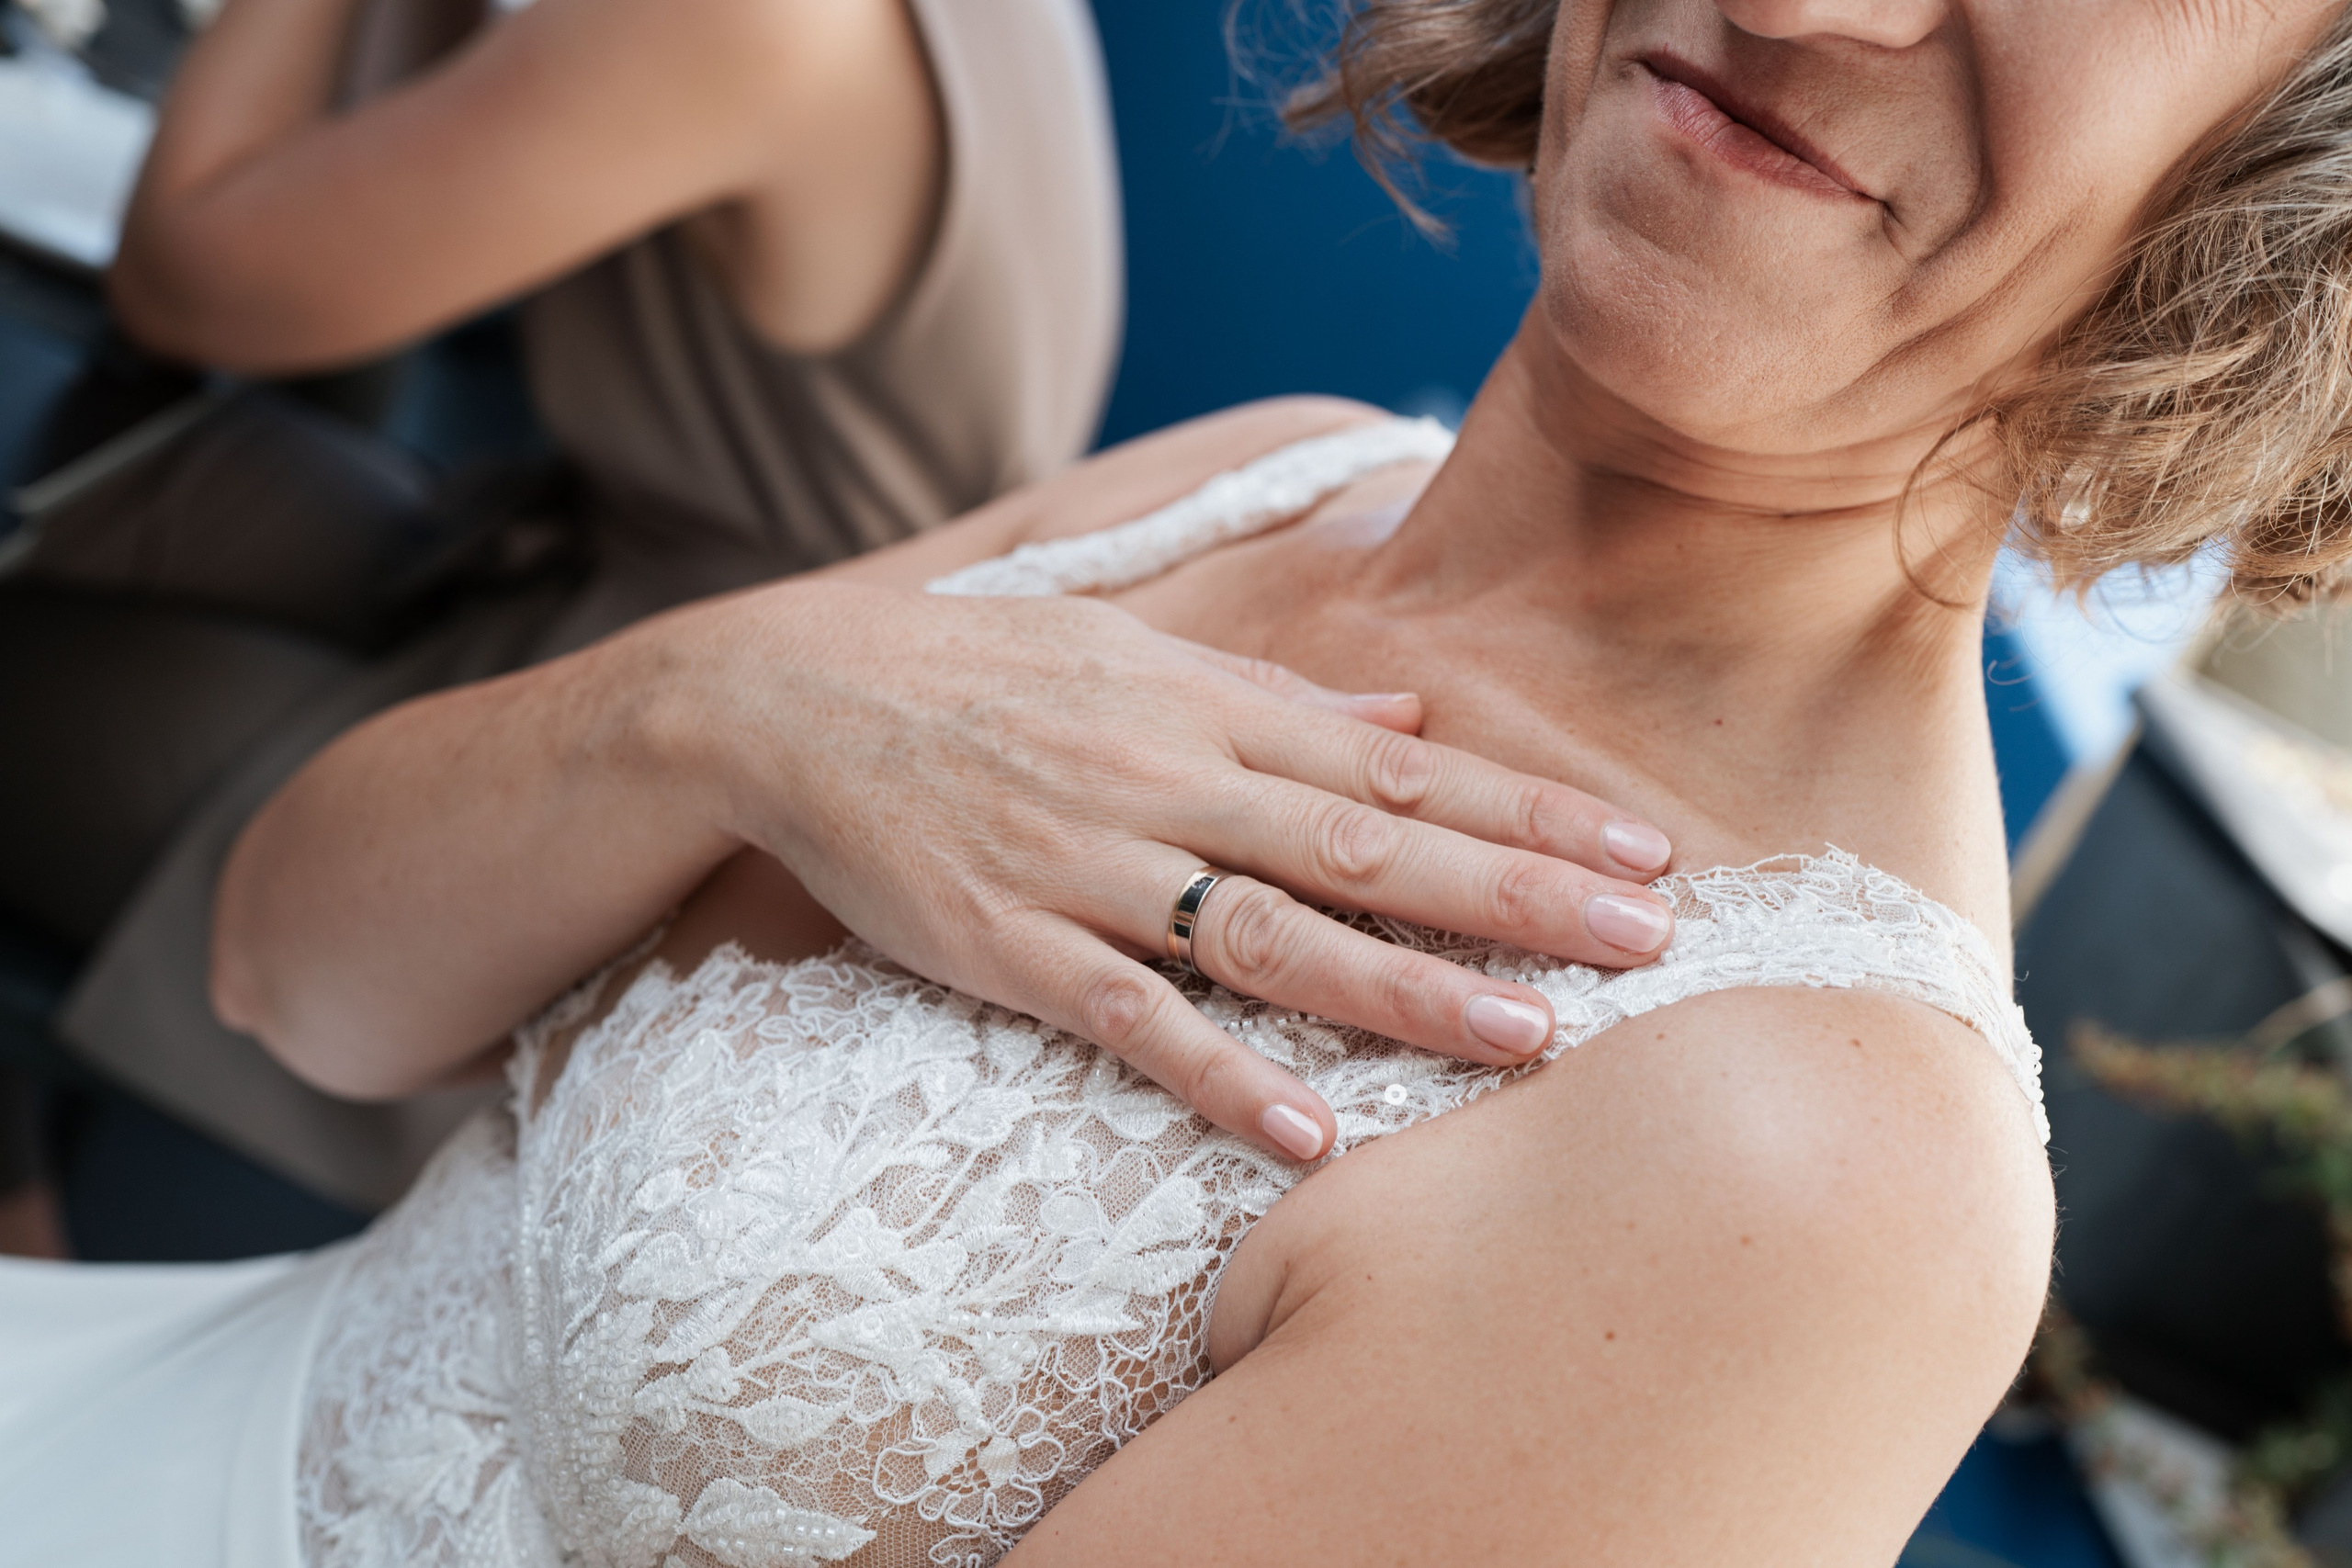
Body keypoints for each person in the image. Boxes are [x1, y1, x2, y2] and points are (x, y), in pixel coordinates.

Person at [13, 0, 2346, 1560]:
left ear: (2291, 188)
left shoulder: (1815, 1171)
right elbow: (282, 971)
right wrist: (748, 697)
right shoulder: (1273, 479)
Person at [0, 0, 1127, 1237]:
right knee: (114, 482)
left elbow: (190, 278)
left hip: (682, 765)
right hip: (599, 575)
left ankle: (40, 1214)